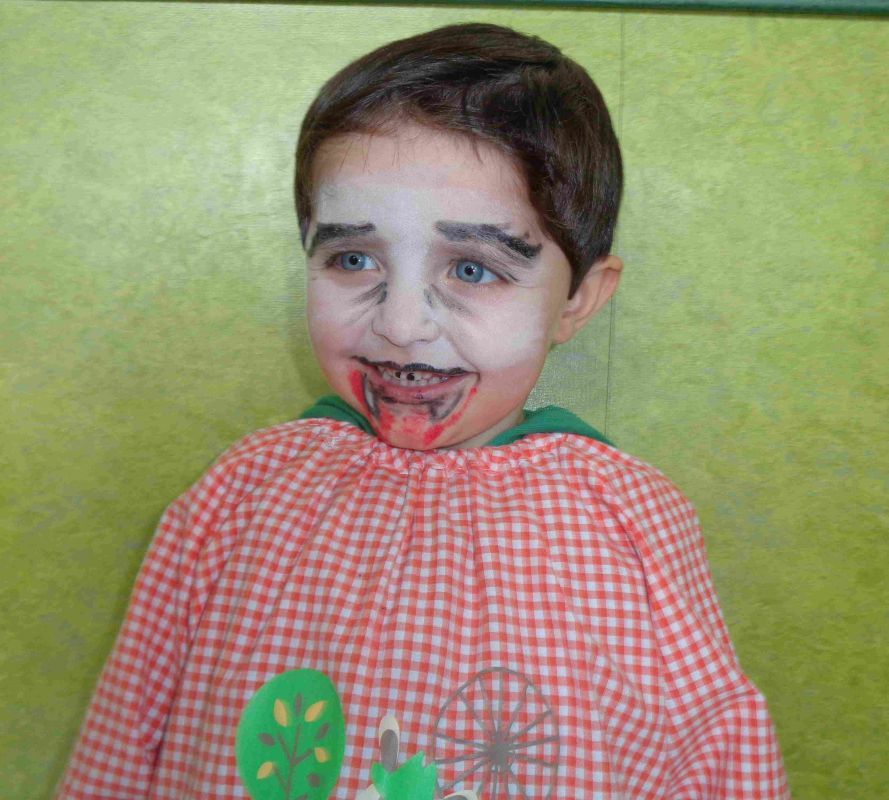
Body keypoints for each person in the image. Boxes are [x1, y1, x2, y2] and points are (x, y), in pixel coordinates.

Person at [55, 21, 790, 800]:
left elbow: (719, 757)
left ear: (578, 298)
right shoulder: (239, 494)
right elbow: (124, 735)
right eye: (353, 259)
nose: (401, 324)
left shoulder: (628, 523)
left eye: (471, 268)